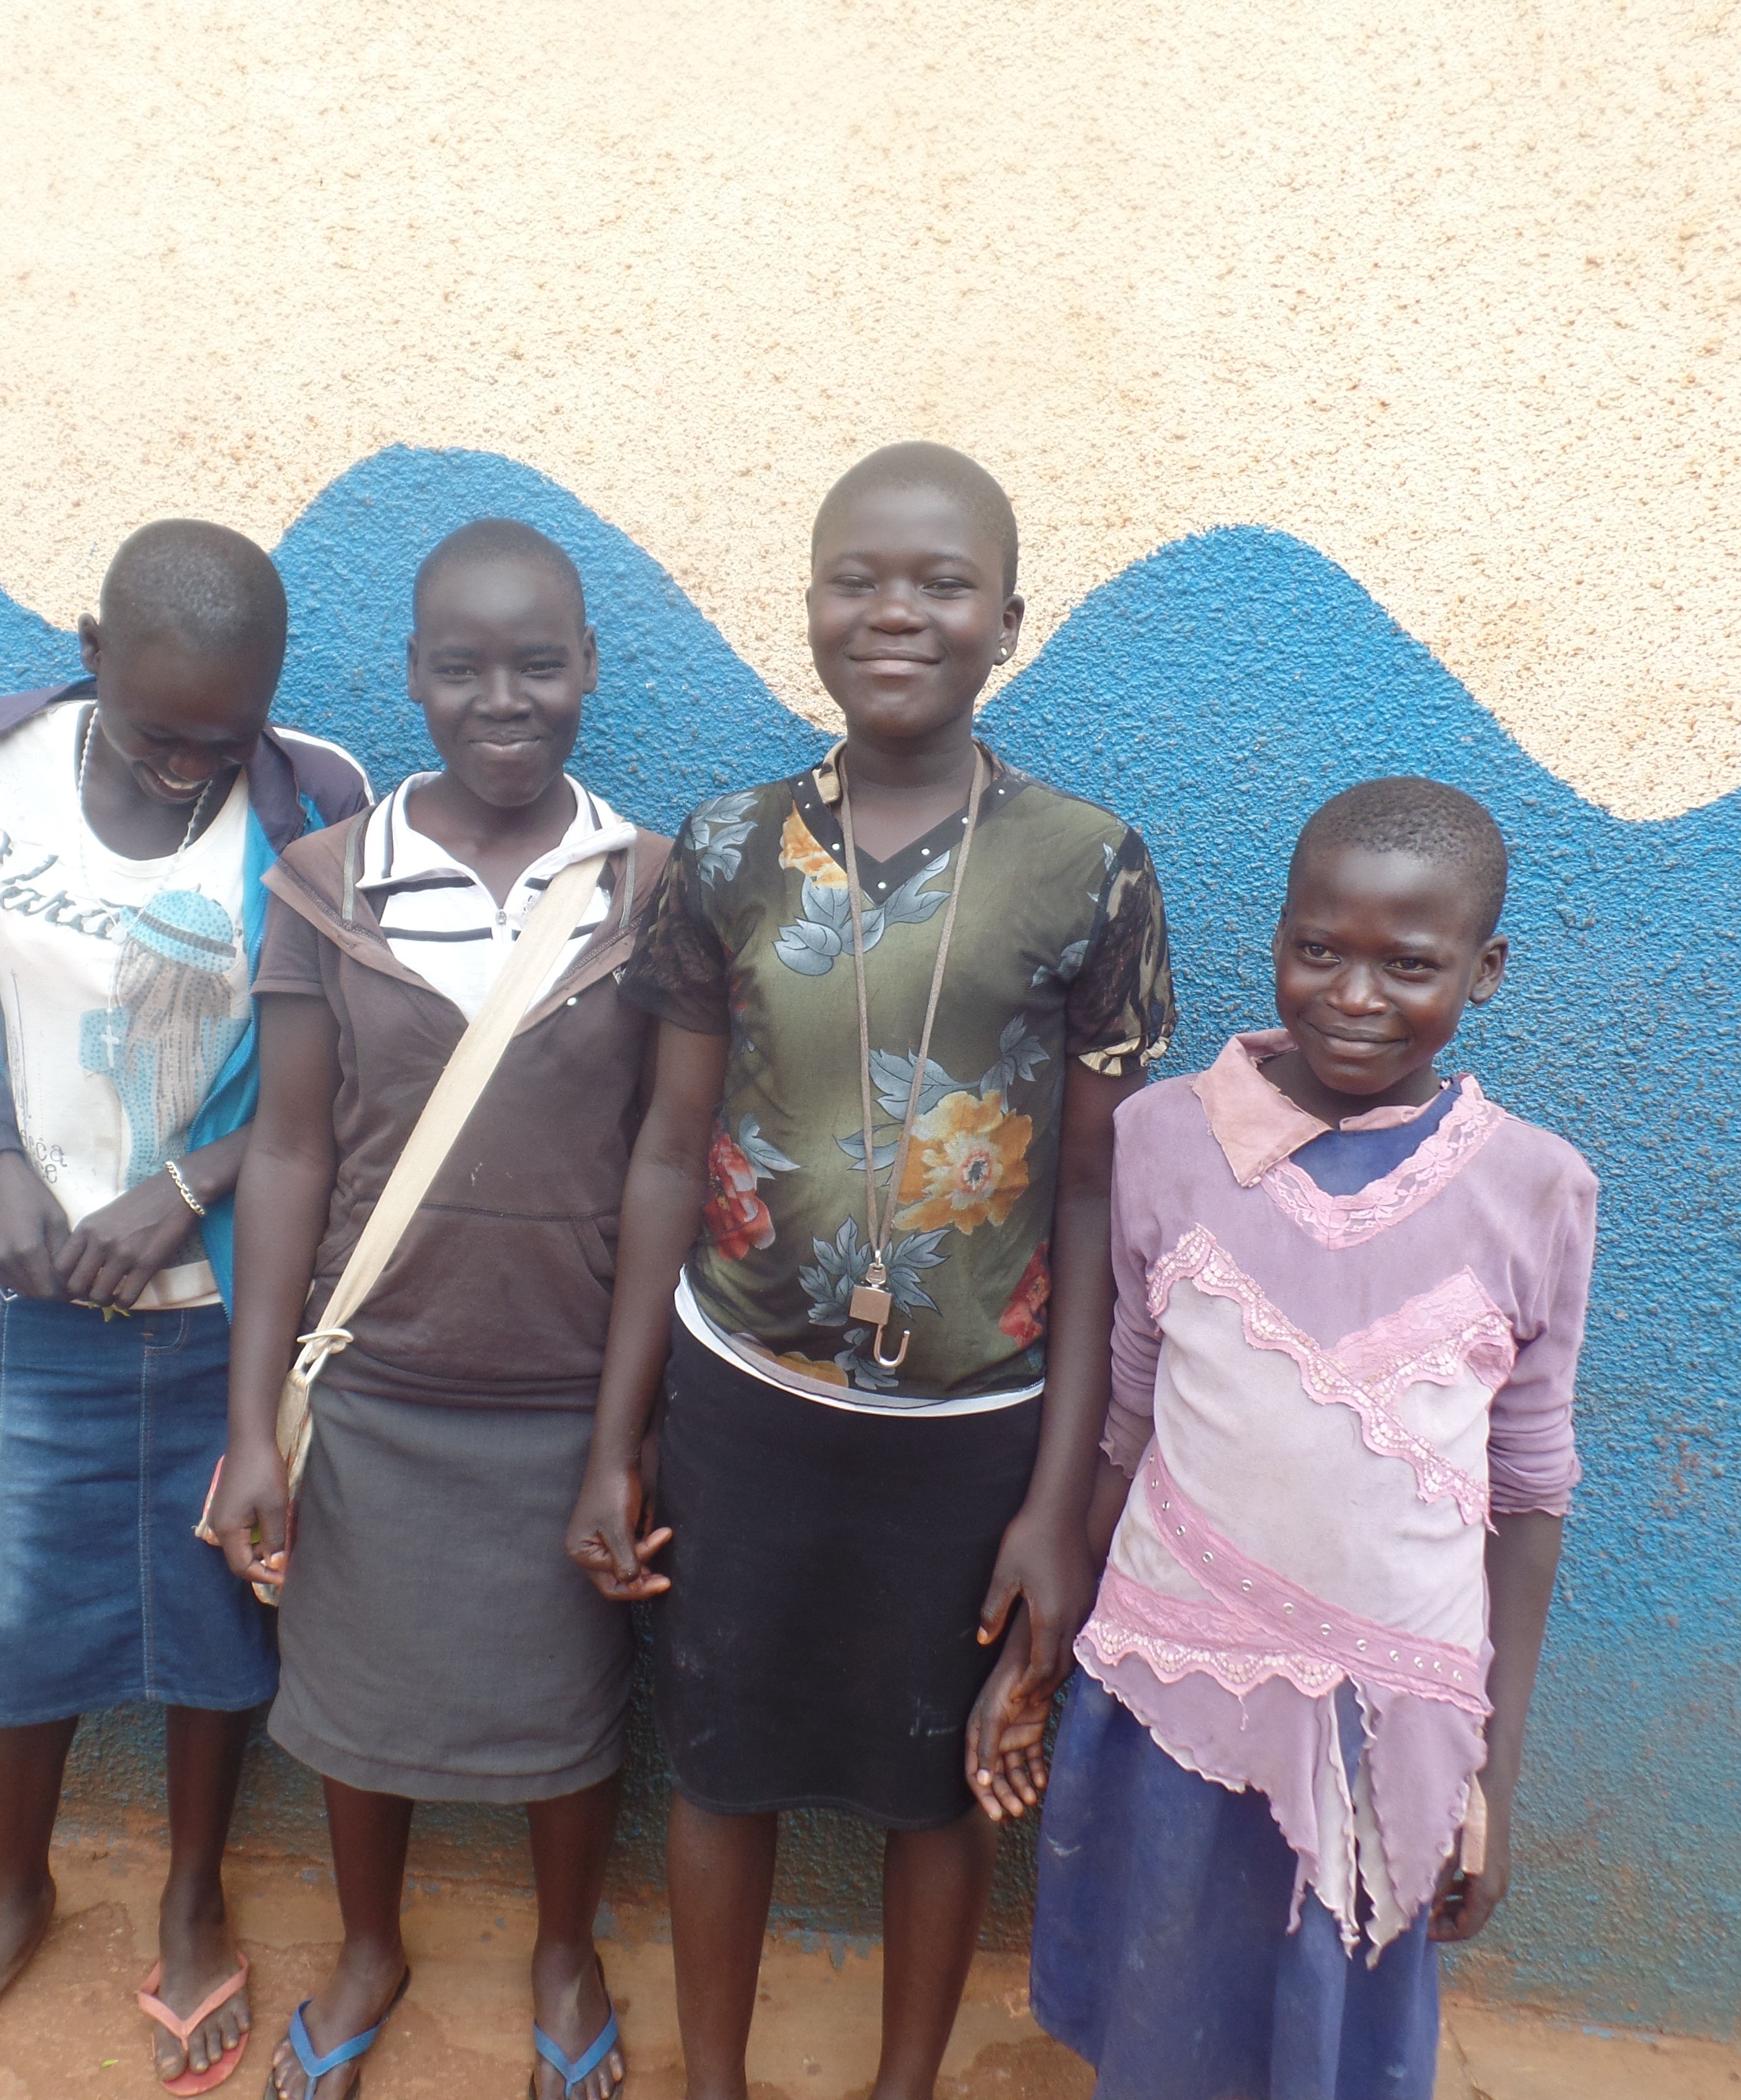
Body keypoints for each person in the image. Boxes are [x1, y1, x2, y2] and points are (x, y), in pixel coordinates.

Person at [567, 444, 1175, 2099]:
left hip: (976, 1428)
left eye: (943, 585)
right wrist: (620, 1437)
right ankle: (714, 2079)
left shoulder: (1091, 865)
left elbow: (1096, 1199)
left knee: (937, 1783)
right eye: (859, 580)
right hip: (740, 1400)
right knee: (721, 1763)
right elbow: (666, 1150)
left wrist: (1061, 1504)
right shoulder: (726, 850)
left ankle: (905, 2084)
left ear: (1011, 622)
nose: (896, 612)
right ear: (812, 607)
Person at [0, 520, 371, 2098]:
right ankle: (16, 1895)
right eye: (159, 739)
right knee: (18, 1609)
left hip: (233, 1307)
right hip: (40, 1290)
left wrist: (190, 1186)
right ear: (90, 655)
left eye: (226, 742)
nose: (193, 773)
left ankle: (193, 1895)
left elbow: (354, 1056)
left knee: (219, 1606)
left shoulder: (317, 805)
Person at [975, 778, 1595, 2100]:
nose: (1355, 996)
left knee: (1332, 2029)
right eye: (1320, 949)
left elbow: (1531, 1493)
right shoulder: (1165, 1139)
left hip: (1388, 1717)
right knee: (1164, 2001)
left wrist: (1493, 1772)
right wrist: (1049, 1648)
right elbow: (1129, 1414)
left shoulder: (1536, 1188)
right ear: (1277, 941)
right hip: (1173, 1674)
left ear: (1484, 972)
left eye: (1409, 965)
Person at [207, 519, 666, 2100]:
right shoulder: (331, 884)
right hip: (376, 1383)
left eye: (539, 664)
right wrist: (251, 1423)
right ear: (411, 674)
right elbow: (288, 1153)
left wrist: (624, 1434)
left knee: (570, 1705)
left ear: (589, 667)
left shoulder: (649, 891)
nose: (503, 700)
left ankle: (563, 1949)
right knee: (359, 1698)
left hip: (566, 1390)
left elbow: (667, 1160)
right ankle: (369, 1946)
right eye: (462, 667)